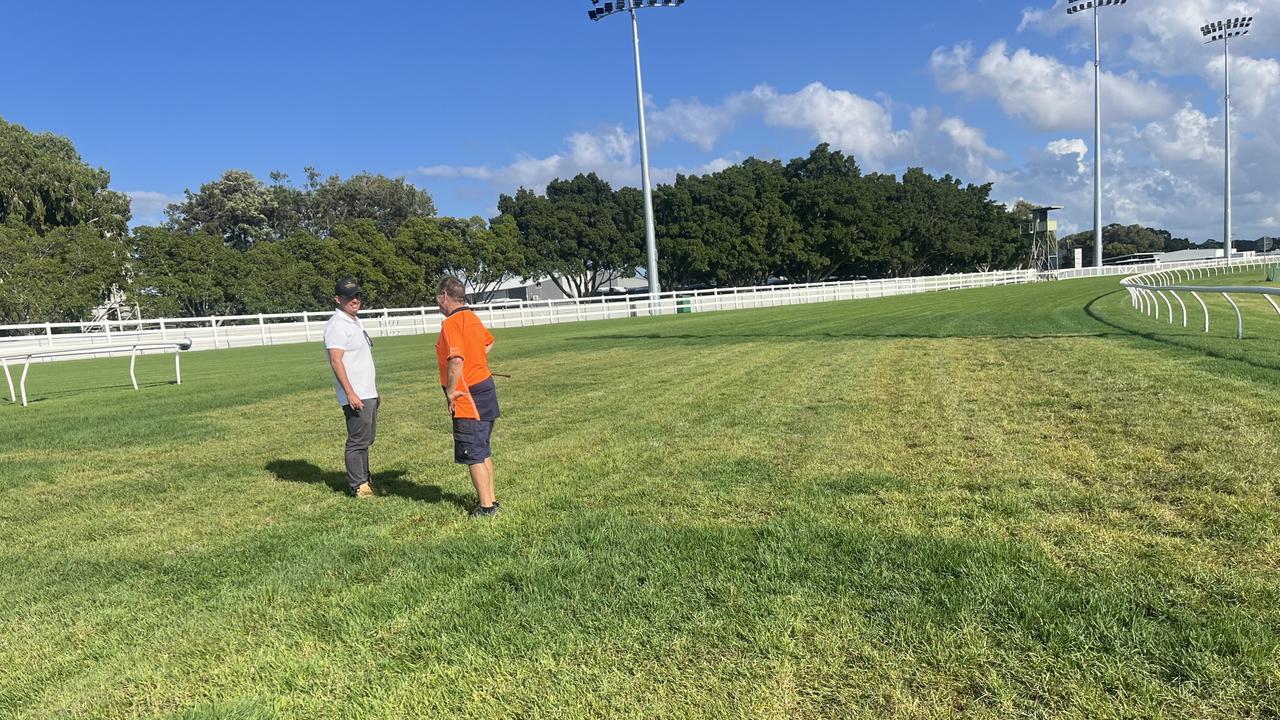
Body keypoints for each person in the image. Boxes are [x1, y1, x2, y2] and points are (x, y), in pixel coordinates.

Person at [434, 276, 501, 517]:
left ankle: (486, 507)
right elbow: (488, 343)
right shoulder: (473, 318)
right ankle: (491, 498)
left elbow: (456, 359)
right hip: (485, 388)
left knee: (473, 451)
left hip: (468, 394)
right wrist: (477, 359)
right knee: (483, 448)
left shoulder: (452, 324)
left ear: (444, 296)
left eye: (437, 299)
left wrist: (451, 391)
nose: (438, 304)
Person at [324, 278, 380, 498]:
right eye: (348, 297)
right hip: (356, 394)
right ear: (338, 299)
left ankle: (365, 479)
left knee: (366, 439)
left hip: (367, 391)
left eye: (356, 295)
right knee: (357, 440)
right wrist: (350, 393)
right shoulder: (337, 325)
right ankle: (358, 485)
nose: (354, 300)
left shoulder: (354, 322)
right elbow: (336, 361)